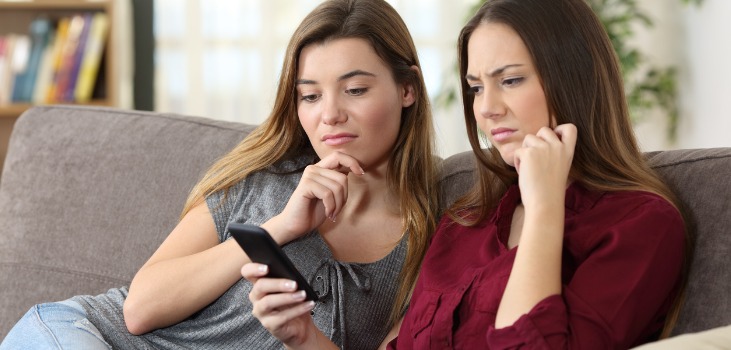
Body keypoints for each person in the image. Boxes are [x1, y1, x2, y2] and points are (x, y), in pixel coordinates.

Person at [0, 0, 438, 349]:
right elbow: (139, 308)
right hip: (78, 334)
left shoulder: (426, 242)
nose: (330, 114)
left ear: (407, 89)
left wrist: (303, 335)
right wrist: (279, 228)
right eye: (309, 95)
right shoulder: (263, 179)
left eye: (355, 89)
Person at [388, 0, 690, 348]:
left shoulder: (641, 224)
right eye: (476, 88)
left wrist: (544, 208)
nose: (487, 108)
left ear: (575, 80)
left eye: (511, 80)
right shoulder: (464, 223)